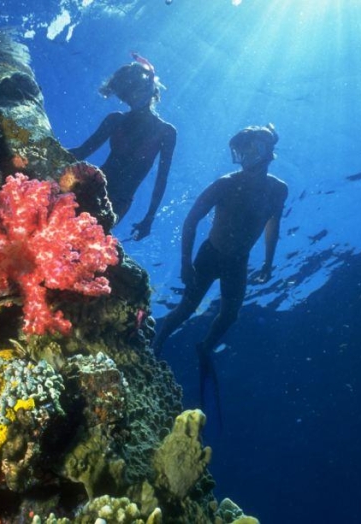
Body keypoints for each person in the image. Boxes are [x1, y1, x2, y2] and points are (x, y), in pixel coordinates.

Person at [152, 124, 288, 403]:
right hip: (210, 255)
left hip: (239, 262)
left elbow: (273, 225)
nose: (248, 156)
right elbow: (191, 220)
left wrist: (269, 264)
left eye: (254, 149)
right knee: (185, 309)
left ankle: (205, 346)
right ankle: (156, 345)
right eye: (243, 151)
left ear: (269, 150)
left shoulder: (278, 190)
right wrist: (185, 263)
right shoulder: (225, 184)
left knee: (230, 314)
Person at [68, 54, 176, 241]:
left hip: (117, 203)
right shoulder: (115, 120)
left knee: (83, 243)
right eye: (128, 93)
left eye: (137, 90)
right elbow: (81, 152)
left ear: (150, 88)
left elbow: (161, 180)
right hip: (90, 187)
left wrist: (149, 217)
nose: (134, 97)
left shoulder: (166, 132)